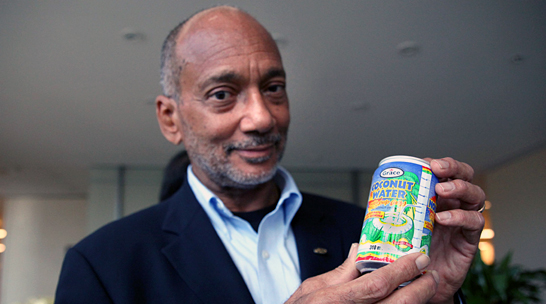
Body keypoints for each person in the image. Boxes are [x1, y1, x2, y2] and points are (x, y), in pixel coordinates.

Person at [55, 6, 485, 304]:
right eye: (223, 94)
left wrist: (436, 296)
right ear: (171, 119)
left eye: (274, 88)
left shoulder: (362, 230)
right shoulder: (104, 263)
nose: (262, 117)